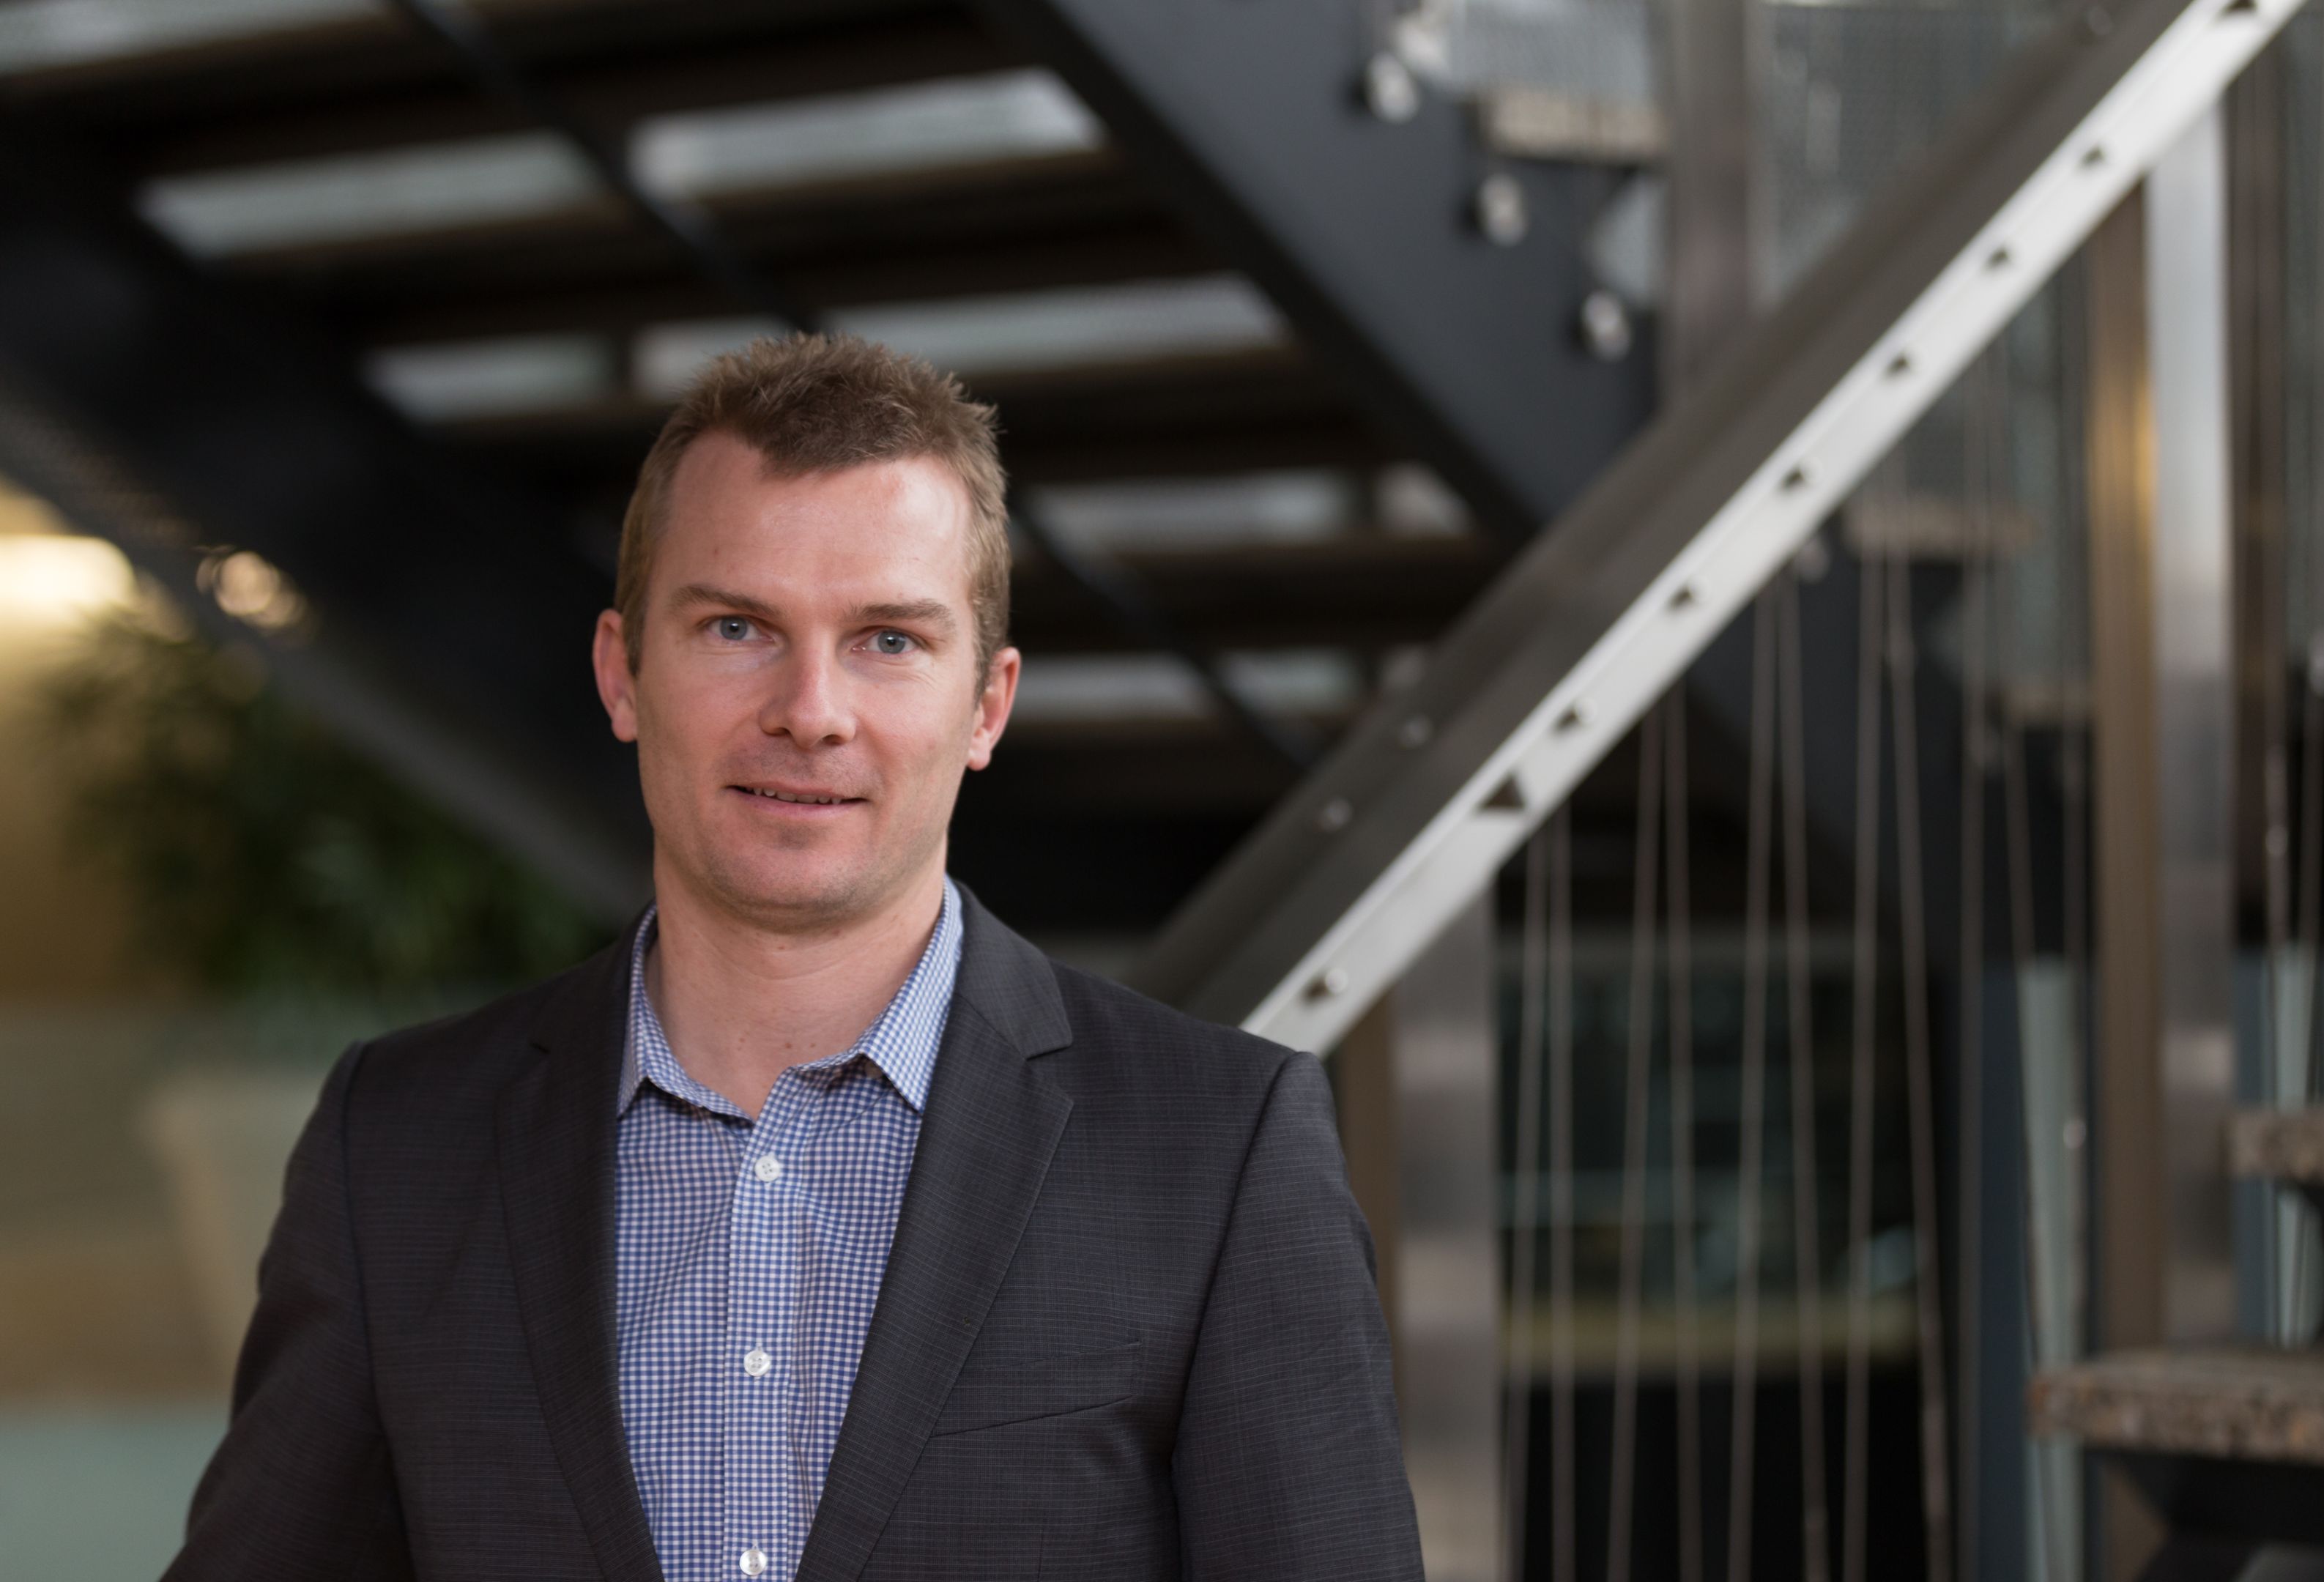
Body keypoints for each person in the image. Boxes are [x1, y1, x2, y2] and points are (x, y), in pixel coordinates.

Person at [165, 334, 1424, 1581]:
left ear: (986, 703)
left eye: (889, 640)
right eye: (736, 628)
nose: (811, 711)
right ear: (624, 673)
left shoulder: (1216, 1150)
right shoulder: (398, 1146)